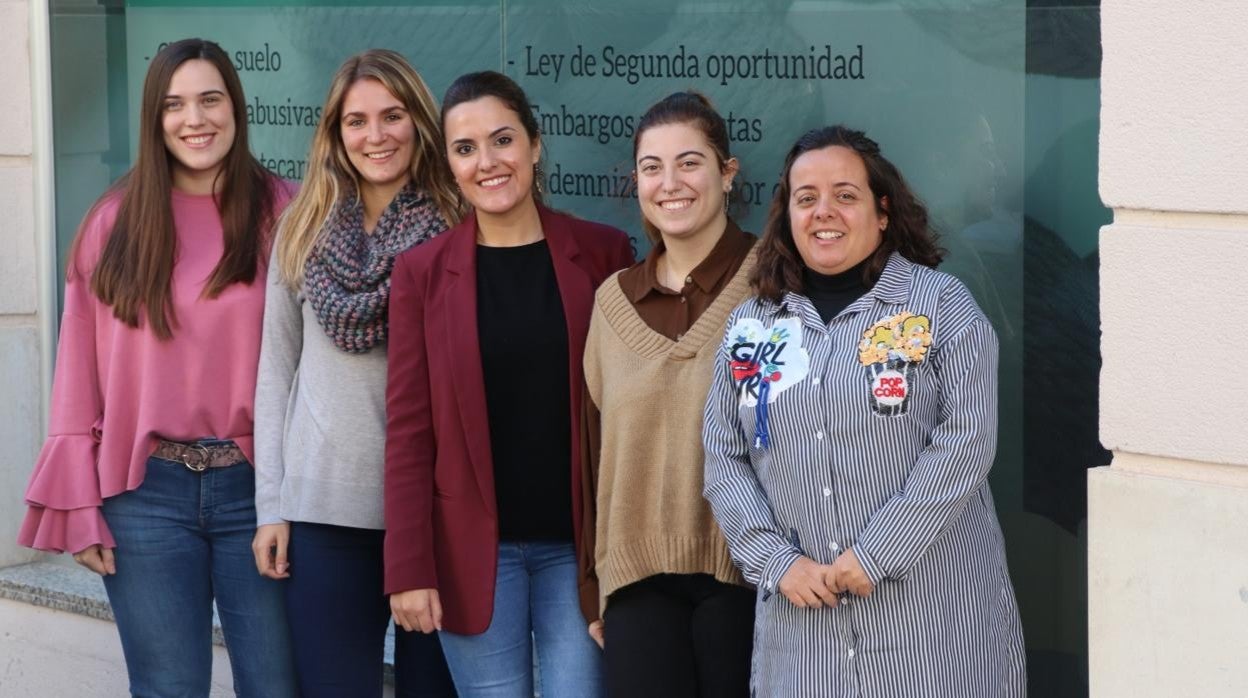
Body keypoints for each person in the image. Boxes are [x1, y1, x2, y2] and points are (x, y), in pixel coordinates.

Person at [702, 125, 1026, 696]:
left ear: (882, 213)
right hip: (804, 643)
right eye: (806, 198)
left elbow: (968, 442)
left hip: (935, 632)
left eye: (845, 195)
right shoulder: (753, 325)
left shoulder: (940, 306)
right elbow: (724, 458)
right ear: (788, 218)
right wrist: (776, 562)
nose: (824, 211)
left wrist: (879, 552)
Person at [17, 38, 297, 697]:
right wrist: (78, 503)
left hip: (262, 493)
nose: (194, 119)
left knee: (277, 687)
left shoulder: (286, 212)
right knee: (168, 689)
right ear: (153, 118)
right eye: (173, 105)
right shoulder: (112, 224)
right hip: (144, 500)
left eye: (209, 99)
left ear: (236, 106)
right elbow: (78, 376)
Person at [384, 70, 633, 698]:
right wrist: (407, 568)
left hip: (579, 552)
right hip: (474, 554)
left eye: (503, 141)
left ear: (535, 144)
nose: (487, 163)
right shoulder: (422, 273)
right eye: (466, 149)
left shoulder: (604, 253)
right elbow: (410, 432)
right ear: (449, 163)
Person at [251, 49, 459, 698]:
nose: (376, 136)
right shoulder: (302, 227)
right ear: (336, 135)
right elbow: (275, 371)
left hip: (434, 518)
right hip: (323, 517)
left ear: (419, 122)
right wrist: (271, 507)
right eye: (357, 121)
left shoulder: (457, 227)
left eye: (392, 116)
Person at [579, 91, 757, 697]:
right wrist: (592, 583)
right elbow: (593, 451)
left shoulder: (776, 283)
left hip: (752, 576)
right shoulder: (611, 301)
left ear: (727, 173)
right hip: (636, 580)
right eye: (652, 167)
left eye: (690, 162)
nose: (670, 183)